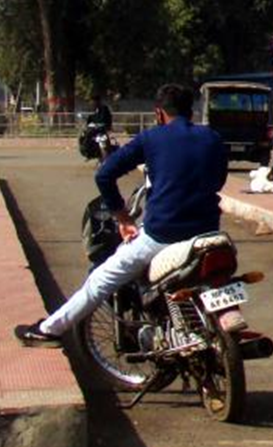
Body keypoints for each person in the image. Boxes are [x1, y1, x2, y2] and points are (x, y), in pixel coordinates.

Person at [14, 84, 229, 359]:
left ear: (159, 113)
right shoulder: (211, 137)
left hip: (161, 236)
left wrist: (122, 217)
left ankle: (49, 330)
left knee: (100, 280)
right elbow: (218, 180)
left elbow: (104, 174)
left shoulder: (151, 138)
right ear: (192, 111)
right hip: (208, 233)